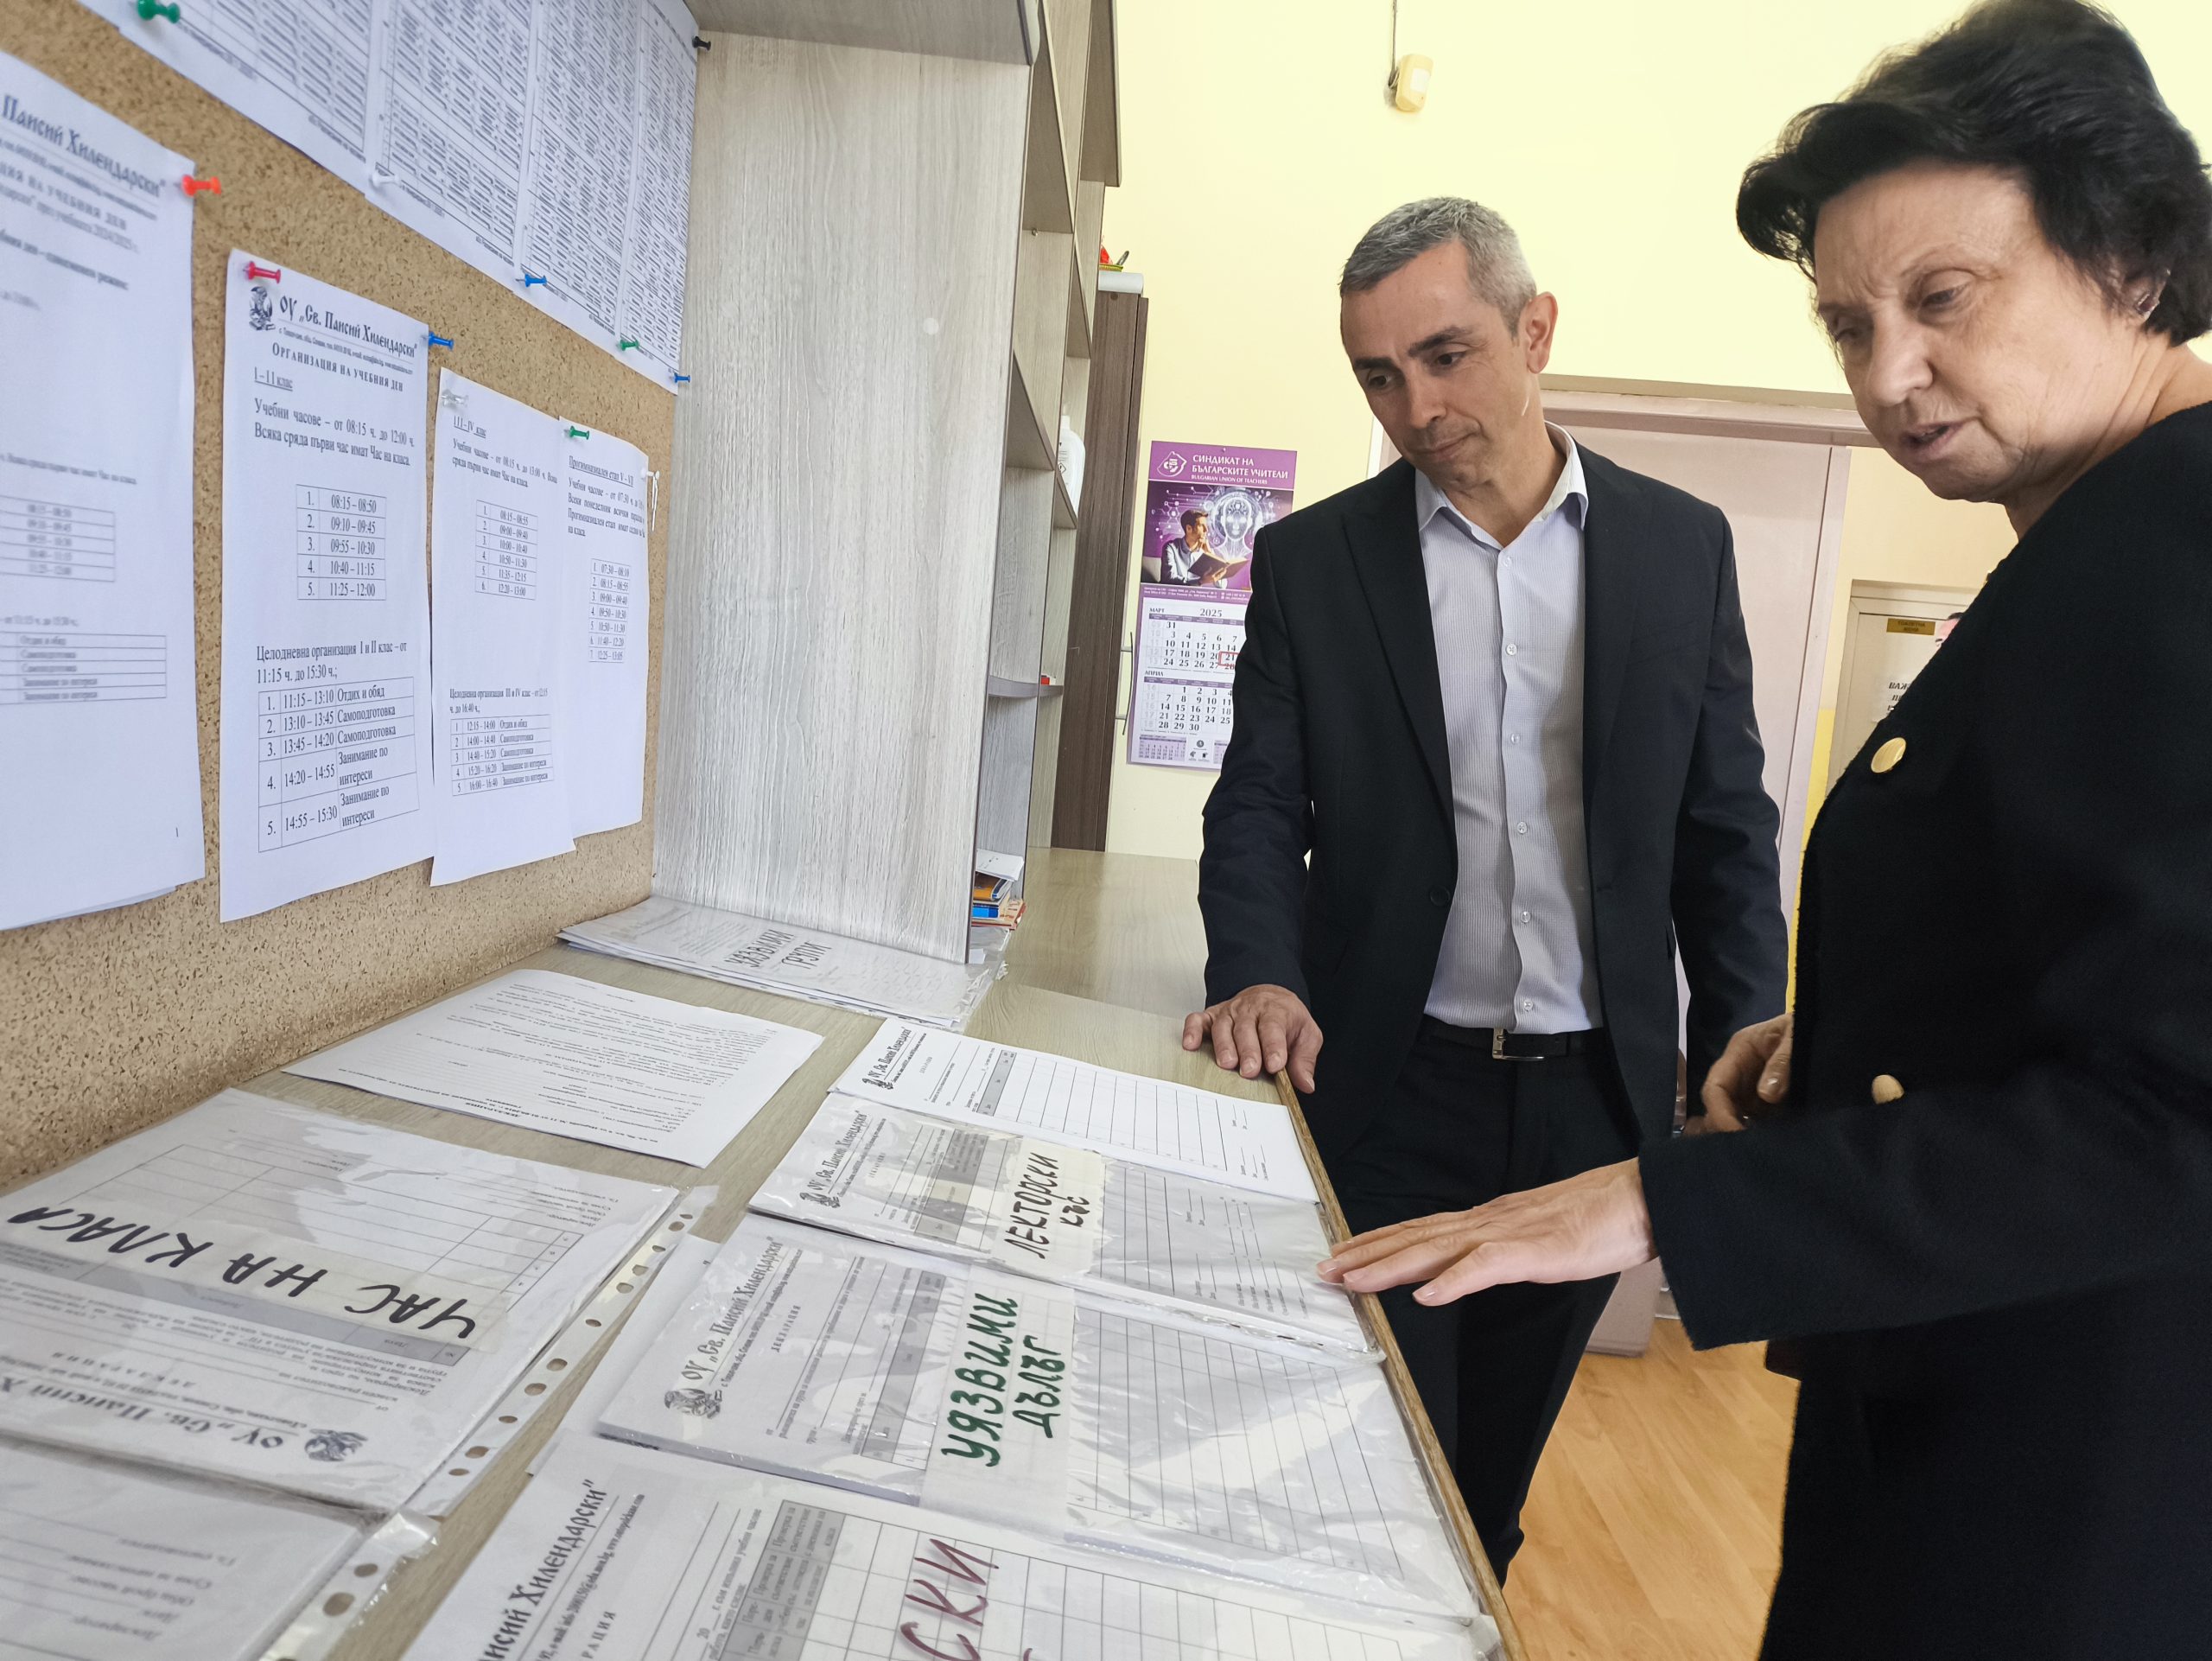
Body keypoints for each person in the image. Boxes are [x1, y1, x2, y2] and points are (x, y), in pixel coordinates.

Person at [1319, 3, 2212, 1654]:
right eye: (1847, 324)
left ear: (2135, 261)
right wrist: (1841, 1043)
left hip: (2080, 1485)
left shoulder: (2181, 549)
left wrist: (1674, 1203)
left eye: (1944, 301)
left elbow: (2177, 1111)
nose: (1888, 376)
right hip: (1972, 1409)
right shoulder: (2093, 550)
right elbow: (2103, 960)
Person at [1185, 195, 1789, 1571]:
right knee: (1368, 1457)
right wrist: (1259, 970)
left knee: (1489, 1480)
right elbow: (1260, 800)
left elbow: (1724, 830)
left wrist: (1738, 1047)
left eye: (1446, 356)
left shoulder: (1681, 547)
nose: (1416, 406)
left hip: (1594, 1103)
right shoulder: (1313, 564)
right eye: (1379, 376)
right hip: (1388, 1086)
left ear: (1536, 330)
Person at [1159, 509, 1214, 583]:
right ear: (1189, 528)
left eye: (1206, 525)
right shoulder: (1171, 548)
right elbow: (1169, 579)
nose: (1206, 530)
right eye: (1201, 526)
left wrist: (1210, 554)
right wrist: (1200, 581)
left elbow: (1222, 585)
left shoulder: (1206, 551)